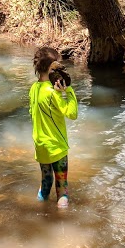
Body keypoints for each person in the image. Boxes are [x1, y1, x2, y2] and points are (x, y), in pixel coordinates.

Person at [29, 45, 78, 208]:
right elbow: (72, 114)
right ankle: (62, 229)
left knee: (45, 185)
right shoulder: (53, 93)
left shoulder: (34, 88)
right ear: (52, 68)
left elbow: (32, 112)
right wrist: (68, 91)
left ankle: (40, 218)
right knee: (62, 190)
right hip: (57, 147)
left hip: (41, 146)